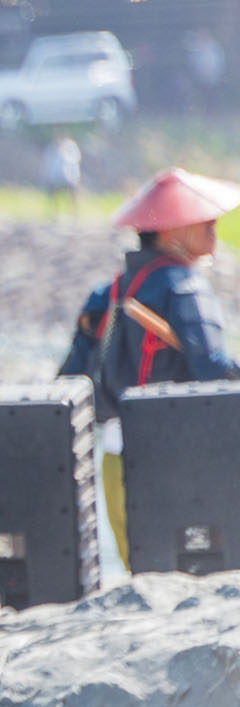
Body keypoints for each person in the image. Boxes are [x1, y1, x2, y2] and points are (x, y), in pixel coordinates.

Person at [60, 167, 240, 565]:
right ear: (170, 233)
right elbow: (214, 372)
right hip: (181, 460)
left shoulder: (107, 291)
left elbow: (69, 383)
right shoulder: (186, 286)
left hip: (115, 458)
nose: (213, 227)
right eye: (203, 220)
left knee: (143, 572)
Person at [41, 129, 81, 219]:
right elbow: (48, 163)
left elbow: (73, 161)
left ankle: (74, 212)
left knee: (73, 192)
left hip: (69, 176)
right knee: (53, 192)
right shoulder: (52, 148)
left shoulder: (71, 147)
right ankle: (54, 212)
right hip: (55, 177)